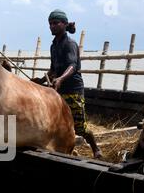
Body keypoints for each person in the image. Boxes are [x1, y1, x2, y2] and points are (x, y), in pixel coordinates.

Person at [32, 9, 102, 159]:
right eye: (50, 23)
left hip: (73, 90)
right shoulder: (53, 46)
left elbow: (72, 66)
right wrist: (41, 81)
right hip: (58, 91)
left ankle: (96, 149)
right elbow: (53, 69)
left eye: (56, 23)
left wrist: (61, 79)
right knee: (59, 124)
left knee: (79, 127)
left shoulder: (70, 43)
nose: (52, 26)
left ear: (64, 24)